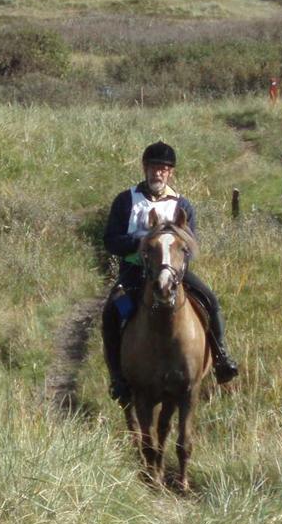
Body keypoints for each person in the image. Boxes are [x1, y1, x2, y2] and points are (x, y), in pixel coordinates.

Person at [101, 141, 238, 403]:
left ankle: (221, 357)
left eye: (163, 169)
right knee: (111, 311)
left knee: (210, 299)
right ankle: (118, 377)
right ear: (144, 168)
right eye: (153, 168)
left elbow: (192, 244)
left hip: (173, 273)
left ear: (170, 173)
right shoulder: (125, 200)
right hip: (135, 271)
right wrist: (138, 243)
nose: (158, 174)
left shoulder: (182, 206)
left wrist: (172, 257)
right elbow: (110, 240)